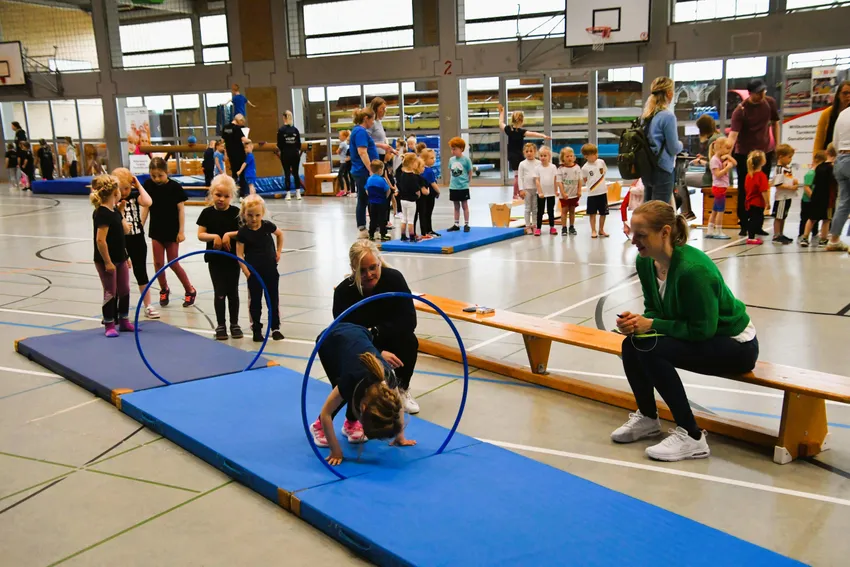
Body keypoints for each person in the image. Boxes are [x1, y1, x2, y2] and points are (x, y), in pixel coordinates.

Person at [613, 201, 758, 462]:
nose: (633, 240)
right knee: (631, 344)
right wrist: (637, 322)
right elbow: (654, 309)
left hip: (735, 344)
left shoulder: (694, 271)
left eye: (641, 234)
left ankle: (692, 437)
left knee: (650, 349)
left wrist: (652, 325)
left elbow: (702, 330)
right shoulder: (646, 262)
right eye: (632, 233)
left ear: (665, 232)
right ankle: (648, 417)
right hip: (704, 335)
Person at [332, 239, 420, 414]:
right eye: (362, 271)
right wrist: (376, 354)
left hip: (387, 336)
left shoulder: (394, 279)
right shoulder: (344, 292)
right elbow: (345, 336)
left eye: (373, 267)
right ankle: (365, 394)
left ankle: (401, 389)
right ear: (353, 269)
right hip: (360, 345)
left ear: (379, 262)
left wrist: (377, 332)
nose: (369, 274)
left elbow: (409, 320)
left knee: (409, 341)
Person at [309, 322, 415, 464]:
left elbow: (398, 406)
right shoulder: (350, 378)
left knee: (353, 390)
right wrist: (336, 451)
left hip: (360, 334)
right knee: (341, 393)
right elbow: (326, 413)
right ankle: (318, 426)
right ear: (363, 408)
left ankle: (350, 423)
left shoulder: (388, 378)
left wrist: (399, 436)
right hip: (330, 341)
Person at [728, 79, 780, 236]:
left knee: (762, 189)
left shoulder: (769, 103)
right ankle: (744, 223)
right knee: (746, 190)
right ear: (750, 94)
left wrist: (776, 144)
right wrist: (725, 152)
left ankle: (757, 224)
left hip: (764, 152)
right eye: (758, 93)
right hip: (745, 155)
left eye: (763, 91)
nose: (762, 95)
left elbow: (775, 123)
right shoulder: (741, 111)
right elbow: (733, 135)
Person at [143, 158, 196, 308]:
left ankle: (189, 289)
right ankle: (164, 288)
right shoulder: (148, 185)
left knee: (173, 262)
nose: (157, 179)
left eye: (160, 175)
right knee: (158, 263)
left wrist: (181, 231)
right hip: (156, 230)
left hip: (172, 230)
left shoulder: (175, 187)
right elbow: (146, 207)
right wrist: (140, 225)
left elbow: (181, 210)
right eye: (153, 176)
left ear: (167, 172)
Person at [198, 175, 243, 340]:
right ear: (212, 193)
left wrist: (228, 235)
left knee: (233, 292)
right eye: (218, 195)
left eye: (226, 196)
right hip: (215, 260)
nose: (222, 199)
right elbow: (201, 235)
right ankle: (221, 324)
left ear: (232, 196)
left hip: (232, 259)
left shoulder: (236, 213)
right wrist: (214, 236)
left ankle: (235, 324)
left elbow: (243, 233)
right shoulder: (207, 213)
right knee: (219, 292)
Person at [90, 175, 134, 338]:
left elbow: (125, 232)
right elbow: (100, 240)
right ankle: (109, 323)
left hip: (120, 257)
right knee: (111, 291)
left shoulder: (114, 210)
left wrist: (121, 212)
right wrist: (108, 262)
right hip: (105, 260)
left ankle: (123, 319)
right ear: (115, 192)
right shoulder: (101, 213)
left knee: (124, 289)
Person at [236, 194, 284, 343]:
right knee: (255, 301)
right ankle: (256, 329)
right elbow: (239, 254)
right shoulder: (243, 232)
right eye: (250, 215)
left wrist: (278, 251)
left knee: (273, 299)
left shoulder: (267, 226)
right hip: (254, 272)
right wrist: (246, 271)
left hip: (270, 269)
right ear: (244, 214)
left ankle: (275, 327)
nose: (254, 219)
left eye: (257, 215)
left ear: (262, 214)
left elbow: (280, 234)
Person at [113, 167, 158, 319]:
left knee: (141, 272)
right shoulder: (112, 201)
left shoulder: (134, 195)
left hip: (137, 238)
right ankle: (115, 309)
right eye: (121, 189)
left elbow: (148, 202)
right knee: (119, 277)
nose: (124, 192)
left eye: (127, 188)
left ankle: (148, 305)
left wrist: (138, 186)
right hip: (120, 241)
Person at [642, 76, 683, 204]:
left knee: (648, 209)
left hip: (647, 167)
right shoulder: (668, 116)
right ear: (669, 93)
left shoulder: (647, 115)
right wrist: (681, 145)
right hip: (663, 168)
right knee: (660, 210)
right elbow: (673, 148)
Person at [497, 104, 550, 199]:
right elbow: (533, 134)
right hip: (518, 155)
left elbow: (500, 122)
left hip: (512, 155)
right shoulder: (521, 132)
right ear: (521, 121)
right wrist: (543, 136)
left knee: (518, 175)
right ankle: (516, 194)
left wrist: (502, 112)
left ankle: (517, 193)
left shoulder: (509, 129)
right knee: (518, 176)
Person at [350, 108, 379, 235]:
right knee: (364, 198)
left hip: (362, 171)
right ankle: (362, 228)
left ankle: (374, 226)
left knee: (367, 198)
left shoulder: (360, 131)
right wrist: (371, 170)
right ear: (366, 118)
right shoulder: (360, 132)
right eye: (372, 119)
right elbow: (362, 152)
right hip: (363, 171)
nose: (373, 122)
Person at [826, 106, 850, 253]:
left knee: (843, 202)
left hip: (840, 159)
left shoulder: (842, 114)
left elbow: (834, 142)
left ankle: (834, 240)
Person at [800, 150, 832, 248]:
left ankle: (805, 237)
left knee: (811, 218)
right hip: (825, 197)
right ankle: (823, 239)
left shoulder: (817, 170)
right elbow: (807, 186)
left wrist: (813, 197)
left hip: (816, 197)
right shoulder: (828, 169)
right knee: (826, 219)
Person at [705, 137, 735, 240]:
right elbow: (717, 174)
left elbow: (735, 163)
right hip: (719, 188)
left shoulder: (722, 158)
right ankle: (718, 231)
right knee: (720, 211)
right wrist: (727, 168)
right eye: (727, 148)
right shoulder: (714, 160)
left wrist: (728, 157)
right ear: (720, 147)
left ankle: (710, 230)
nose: (728, 151)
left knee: (714, 210)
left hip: (721, 187)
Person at [770, 144, 799, 245]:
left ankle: (781, 234)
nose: (790, 160)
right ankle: (776, 235)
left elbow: (788, 179)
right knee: (779, 216)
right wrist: (790, 187)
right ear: (781, 157)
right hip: (781, 197)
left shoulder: (787, 168)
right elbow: (778, 184)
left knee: (783, 216)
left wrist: (793, 181)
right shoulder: (779, 169)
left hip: (787, 196)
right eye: (789, 157)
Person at [813, 80, 850, 153]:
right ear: (838, 95)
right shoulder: (827, 113)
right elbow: (819, 139)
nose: (848, 96)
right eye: (845, 93)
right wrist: (816, 158)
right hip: (827, 155)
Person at [582, 143, 609, 238]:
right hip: (592, 194)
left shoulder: (601, 162)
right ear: (586, 156)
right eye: (593, 154)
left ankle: (601, 229)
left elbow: (603, 172)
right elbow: (585, 180)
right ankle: (593, 230)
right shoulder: (585, 168)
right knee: (592, 213)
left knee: (603, 212)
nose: (596, 155)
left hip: (602, 192)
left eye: (596, 153)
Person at [744, 150, 769, 246]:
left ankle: (752, 235)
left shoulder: (749, 175)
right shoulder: (761, 176)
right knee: (755, 220)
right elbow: (763, 190)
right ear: (763, 162)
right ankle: (751, 237)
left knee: (754, 218)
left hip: (750, 201)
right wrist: (767, 202)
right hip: (757, 202)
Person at [447, 136, 472, 232]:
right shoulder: (451, 160)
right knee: (456, 206)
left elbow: (470, 172)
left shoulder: (466, 160)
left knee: (464, 205)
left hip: (463, 186)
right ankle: (456, 224)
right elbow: (451, 171)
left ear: (461, 149)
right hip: (453, 187)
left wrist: (468, 181)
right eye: (452, 149)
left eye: (455, 149)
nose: (453, 151)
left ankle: (466, 224)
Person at [277, 110, 303, 200]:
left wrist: (284, 150)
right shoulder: (295, 130)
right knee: (296, 173)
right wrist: (295, 149)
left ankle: (288, 194)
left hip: (286, 154)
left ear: (284, 118)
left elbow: (279, 144)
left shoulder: (281, 130)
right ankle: (298, 193)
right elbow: (299, 144)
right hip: (295, 154)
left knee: (287, 173)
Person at [534, 146, 560, 236]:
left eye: (545, 155)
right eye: (541, 156)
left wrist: (556, 190)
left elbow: (555, 179)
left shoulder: (553, 167)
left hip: (551, 193)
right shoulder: (537, 168)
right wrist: (540, 192)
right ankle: (538, 228)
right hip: (541, 193)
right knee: (540, 211)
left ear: (549, 156)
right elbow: (537, 181)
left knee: (550, 210)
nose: (543, 157)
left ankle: (552, 227)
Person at [221, 114, 248, 198]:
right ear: (239, 121)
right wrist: (250, 140)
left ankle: (233, 193)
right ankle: (241, 194)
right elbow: (244, 139)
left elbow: (222, 140)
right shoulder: (237, 128)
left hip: (230, 153)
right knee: (242, 173)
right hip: (239, 153)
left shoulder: (225, 128)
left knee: (234, 173)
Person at [557, 147, 582, 235]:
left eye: (571, 156)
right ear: (563, 158)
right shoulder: (561, 169)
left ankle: (572, 226)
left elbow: (579, 180)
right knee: (564, 211)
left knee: (572, 211)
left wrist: (579, 191)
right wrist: (563, 193)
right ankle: (564, 227)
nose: (569, 158)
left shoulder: (577, 167)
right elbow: (559, 182)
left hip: (574, 194)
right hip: (565, 195)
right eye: (567, 156)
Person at [366, 160, 392, 241]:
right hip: (381, 202)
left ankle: (371, 234)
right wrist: (385, 198)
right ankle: (383, 234)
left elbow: (366, 190)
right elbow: (388, 190)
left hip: (371, 203)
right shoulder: (382, 180)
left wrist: (371, 197)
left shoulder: (369, 179)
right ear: (380, 170)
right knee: (382, 219)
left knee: (372, 219)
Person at [417, 150, 440, 238]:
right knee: (428, 212)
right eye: (431, 158)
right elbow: (433, 183)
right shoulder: (429, 171)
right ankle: (427, 230)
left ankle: (427, 230)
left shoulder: (421, 170)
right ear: (424, 159)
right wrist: (438, 191)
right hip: (429, 194)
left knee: (424, 213)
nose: (434, 160)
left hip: (423, 195)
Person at [518, 143, 539, 235]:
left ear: (535, 152)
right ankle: (527, 226)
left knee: (535, 208)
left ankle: (534, 225)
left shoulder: (538, 163)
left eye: (531, 151)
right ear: (524, 153)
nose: (529, 153)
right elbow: (520, 177)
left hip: (536, 189)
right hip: (527, 189)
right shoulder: (522, 164)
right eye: (527, 151)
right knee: (527, 208)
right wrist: (521, 189)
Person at [336, 130, 353, 197]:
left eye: (340, 136)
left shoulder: (342, 143)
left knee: (340, 175)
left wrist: (338, 151)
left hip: (343, 161)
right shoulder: (348, 143)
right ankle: (348, 190)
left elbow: (338, 151)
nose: (339, 137)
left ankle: (342, 190)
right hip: (347, 162)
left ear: (344, 136)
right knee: (346, 175)